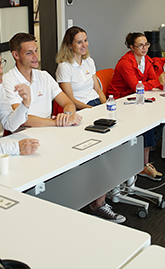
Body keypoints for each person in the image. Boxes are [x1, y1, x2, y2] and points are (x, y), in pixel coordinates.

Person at [55, 26, 125, 224]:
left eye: (85, 40)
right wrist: (92, 110)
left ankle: (107, 188)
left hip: (95, 106)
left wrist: (107, 105)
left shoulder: (89, 61)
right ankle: (98, 203)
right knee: (100, 150)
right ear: (69, 45)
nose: (84, 45)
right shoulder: (64, 67)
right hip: (80, 110)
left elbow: (97, 88)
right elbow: (69, 100)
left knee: (119, 139)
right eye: (79, 41)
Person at [108, 32, 165, 181]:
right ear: (132, 47)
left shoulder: (146, 60)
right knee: (147, 121)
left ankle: (144, 163)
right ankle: (142, 163)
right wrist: (158, 82)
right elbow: (136, 86)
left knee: (153, 119)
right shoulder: (125, 63)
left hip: (136, 99)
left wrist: (163, 83)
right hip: (120, 101)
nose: (145, 48)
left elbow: (151, 79)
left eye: (147, 44)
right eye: (140, 45)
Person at [3, 32, 82, 127]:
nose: (35, 56)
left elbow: (68, 103)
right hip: (24, 133)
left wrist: (66, 116)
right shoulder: (8, 80)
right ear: (16, 55)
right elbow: (21, 119)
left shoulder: (44, 76)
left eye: (36, 50)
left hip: (49, 129)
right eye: (29, 53)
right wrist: (56, 122)